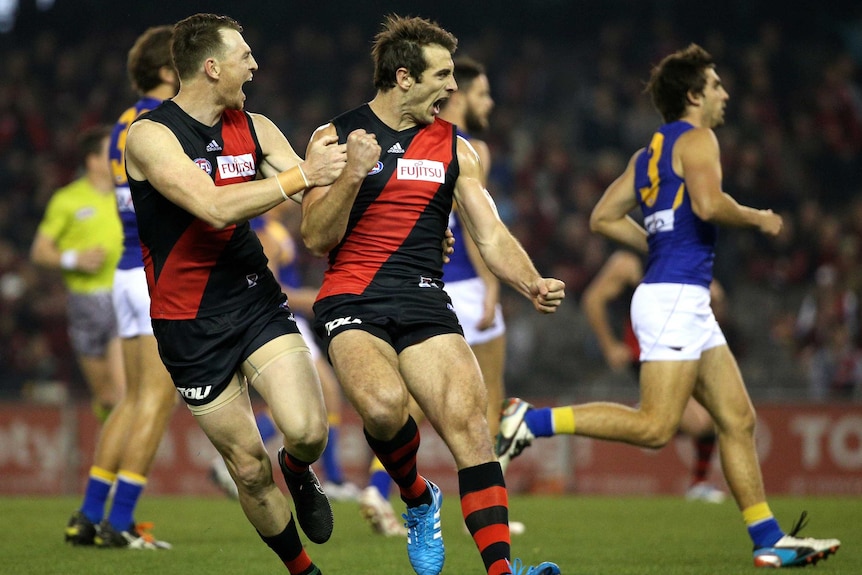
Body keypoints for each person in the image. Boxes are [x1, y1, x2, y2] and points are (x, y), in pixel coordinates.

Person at [496, 44, 841, 568]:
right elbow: (706, 204)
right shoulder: (699, 139)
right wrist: (758, 218)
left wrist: (655, 241)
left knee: (738, 419)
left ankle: (767, 537)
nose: (725, 93)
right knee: (656, 427)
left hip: (685, 298)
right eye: (717, 84)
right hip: (674, 298)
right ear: (694, 94)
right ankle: (531, 421)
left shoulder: (648, 154)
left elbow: (602, 217)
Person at [300, 14, 564, 575]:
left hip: (423, 299)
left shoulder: (457, 149)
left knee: (471, 429)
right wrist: (351, 175)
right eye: (442, 76)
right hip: (351, 299)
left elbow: (490, 233)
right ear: (403, 78)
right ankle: (419, 499)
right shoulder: (334, 138)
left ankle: (501, 570)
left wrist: (531, 280)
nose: (452, 87)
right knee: (383, 406)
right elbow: (316, 235)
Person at [123, 13, 348, 575]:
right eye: (244, 55)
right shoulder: (151, 136)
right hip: (187, 323)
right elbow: (214, 206)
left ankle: (298, 471)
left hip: (253, 300)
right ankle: (304, 572)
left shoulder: (256, 127)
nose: (255, 63)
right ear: (211, 66)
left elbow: (313, 202)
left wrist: (365, 198)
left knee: (307, 432)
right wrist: (306, 176)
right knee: (247, 467)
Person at [357, 54, 511, 539]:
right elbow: (475, 225)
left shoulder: (412, 137)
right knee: (480, 401)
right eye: (481, 93)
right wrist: (491, 285)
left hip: (425, 281)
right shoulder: (465, 145)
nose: (488, 103)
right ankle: (486, 506)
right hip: (461, 283)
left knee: (423, 403)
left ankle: (379, 485)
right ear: (458, 93)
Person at [64, 25, 178, 550]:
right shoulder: (161, 123)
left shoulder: (122, 124)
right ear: (165, 71)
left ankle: (88, 516)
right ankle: (122, 522)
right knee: (157, 400)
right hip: (155, 272)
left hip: (126, 271)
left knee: (134, 399)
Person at [210, 202, 360, 502]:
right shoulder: (264, 232)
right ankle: (332, 478)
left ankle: (333, 478)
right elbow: (271, 288)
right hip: (280, 318)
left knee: (318, 397)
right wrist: (321, 297)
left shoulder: (273, 229)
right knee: (318, 395)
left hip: (287, 319)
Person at [580, 248, 726, 503]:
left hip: (684, 350)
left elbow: (714, 304)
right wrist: (609, 346)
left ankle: (655, 415)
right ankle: (655, 418)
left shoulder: (683, 258)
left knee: (707, 420)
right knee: (699, 422)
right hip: (648, 354)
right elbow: (593, 299)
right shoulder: (628, 262)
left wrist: (712, 299)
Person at [30, 125, 125, 422]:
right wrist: (74, 259)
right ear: (93, 160)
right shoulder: (67, 200)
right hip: (84, 303)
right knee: (106, 397)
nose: (119, 156)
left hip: (120, 296)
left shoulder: (129, 194)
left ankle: (127, 467)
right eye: (112, 151)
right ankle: (111, 453)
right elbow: (39, 251)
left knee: (123, 395)